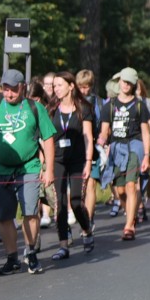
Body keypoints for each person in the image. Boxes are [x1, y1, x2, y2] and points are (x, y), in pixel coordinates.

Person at [0, 69, 56, 274]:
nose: (9, 94)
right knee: (4, 216)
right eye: (5, 89)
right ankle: (12, 258)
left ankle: (31, 252)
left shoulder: (35, 107)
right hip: (0, 167)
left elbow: (48, 138)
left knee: (30, 212)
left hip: (29, 167)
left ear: (22, 88)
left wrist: (49, 169)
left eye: (13, 90)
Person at [97, 69, 150, 240]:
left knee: (131, 185)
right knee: (120, 191)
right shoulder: (110, 106)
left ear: (134, 84)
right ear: (119, 82)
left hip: (134, 146)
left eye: (129, 82)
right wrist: (101, 142)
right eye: (124, 81)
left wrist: (146, 155)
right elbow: (105, 130)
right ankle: (131, 212)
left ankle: (129, 226)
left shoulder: (139, 105)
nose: (126, 85)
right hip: (116, 148)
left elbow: (145, 132)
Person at [48, 72, 96, 257]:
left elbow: (88, 137)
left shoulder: (83, 108)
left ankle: (87, 229)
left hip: (78, 160)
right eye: (54, 86)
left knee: (76, 201)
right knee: (60, 203)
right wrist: (46, 164)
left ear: (71, 86)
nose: (56, 89)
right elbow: (46, 137)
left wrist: (88, 162)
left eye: (59, 85)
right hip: (57, 159)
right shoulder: (51, 108)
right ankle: (63, 245)